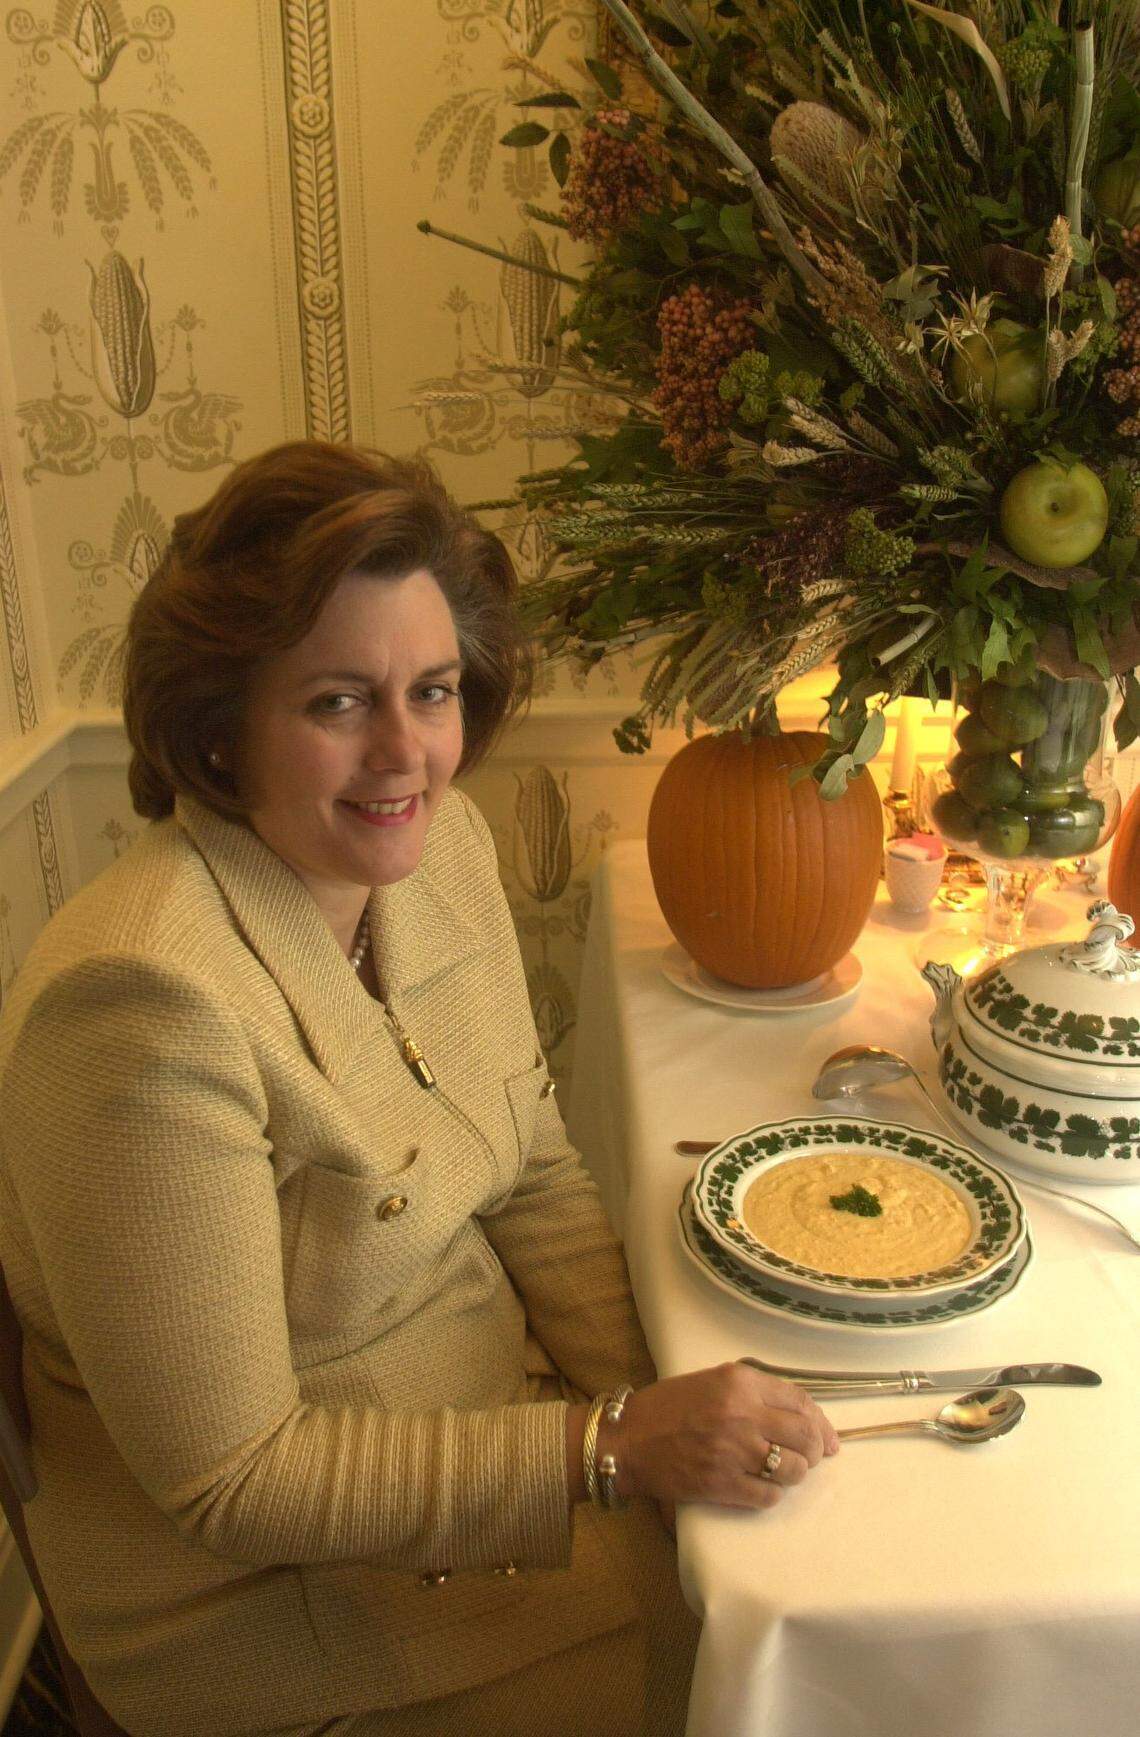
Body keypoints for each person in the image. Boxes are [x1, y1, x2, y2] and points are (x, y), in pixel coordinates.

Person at [0, 442, 838, 1737]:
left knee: (804, 1598)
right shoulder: (139, 1004)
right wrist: (612, 1448)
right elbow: (233, 1477)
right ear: (219, 722)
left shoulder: (440, 852)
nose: (407, 753)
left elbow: (538, 1173)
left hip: (499, 1445)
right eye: (339, 702)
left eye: (433, 690)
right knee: (768, 1693)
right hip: (278, 1601)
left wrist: (660, 1418)